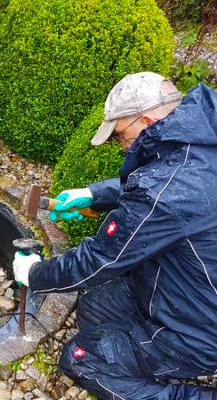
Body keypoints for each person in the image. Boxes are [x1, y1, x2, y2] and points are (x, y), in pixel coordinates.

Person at [13, 72, 217, 400]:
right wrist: (93, 194)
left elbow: (98, 260)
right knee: (93, 309)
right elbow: (161, 183)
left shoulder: (165, 191)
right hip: (185, 287)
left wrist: (35, 274)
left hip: (198, 328)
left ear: (148, 121)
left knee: (81, 359)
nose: (120, 146)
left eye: (120, 134)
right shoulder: (201, 137)